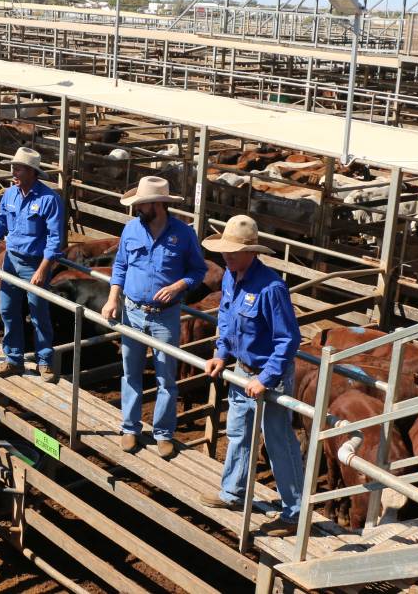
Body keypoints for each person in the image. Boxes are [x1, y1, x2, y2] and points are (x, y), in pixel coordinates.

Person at [198, 215, 303, 538]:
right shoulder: (231, 277)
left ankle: (295, 511)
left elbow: (288, 339)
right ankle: (233, 492)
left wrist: (267, 377)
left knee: (277, 440)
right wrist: (220, 353)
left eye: (232, 251)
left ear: (251, 252)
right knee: (238, 431)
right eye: (224, 250)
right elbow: (227, 321)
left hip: (268, 376)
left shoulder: (271, 288)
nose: (226, 256)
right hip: (242, 370)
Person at [101, 176, 208, 458]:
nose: (138, 208)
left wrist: (178, 286)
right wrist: (113, 298)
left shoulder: (184, 234)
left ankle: (163, 433)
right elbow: (121, 266)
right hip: (133, 310)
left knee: (166, 377)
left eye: (142, 203)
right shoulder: (131, 230)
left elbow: (198, 272)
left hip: (165, 316)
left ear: (158, 204)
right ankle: (130, 427)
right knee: (131, 372)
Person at [0, 147, 64, 383]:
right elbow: (1, 222)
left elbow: (55, 239)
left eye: (18, 168)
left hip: (35, 263)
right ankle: (13, 359)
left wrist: (43, 269)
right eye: (13, 167)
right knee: (7, 309)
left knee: (38, 312)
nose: (13, 171)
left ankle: (44, 361)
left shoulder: (49, 200)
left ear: (33, 172)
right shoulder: (10, 194)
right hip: (11, 259)